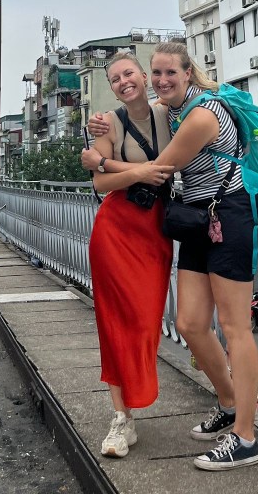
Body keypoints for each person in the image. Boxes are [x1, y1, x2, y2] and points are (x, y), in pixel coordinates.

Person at [88, 41, 258, 471]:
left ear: (188, 73)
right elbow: (134, 129)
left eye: (170, 73)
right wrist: (97, 141)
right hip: (198, 218)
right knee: (189, 323)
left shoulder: (201, 115)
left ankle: (245, 437)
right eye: (158, 73)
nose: (163, 80)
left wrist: (100, 163)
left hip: (230, 214)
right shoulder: (175, 110)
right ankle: (228, 403)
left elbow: (159, 170)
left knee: (235, 327)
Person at [80, 52, 175, 459]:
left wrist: (107, 162)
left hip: (155, 231)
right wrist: (138, 172)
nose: (124, 81)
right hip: (115, 230)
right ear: (112, 87)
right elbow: (100, 183)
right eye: (116, 78)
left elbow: (104, 167)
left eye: (129, 73)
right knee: (114, 322)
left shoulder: (170, 113)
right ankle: (122, 418)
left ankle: (137, 398)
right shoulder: (109, 122)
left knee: (145, 320)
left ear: (144, 76)